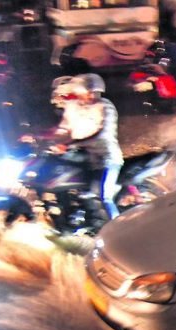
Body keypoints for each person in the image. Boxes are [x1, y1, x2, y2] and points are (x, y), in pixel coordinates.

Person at [55, 73, 124, 220]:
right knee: (83, 193)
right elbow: (64, 128)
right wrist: (48, 138)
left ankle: (120, 226)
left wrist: (73, 143)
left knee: (105, 197)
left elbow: (102, 134)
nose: (83, 96)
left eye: (85, 93)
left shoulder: (105, 106)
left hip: (108, 159)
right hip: (92, 161)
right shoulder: (78, 108)